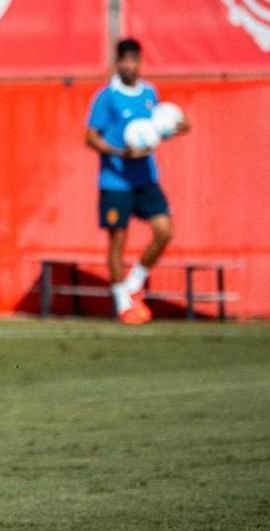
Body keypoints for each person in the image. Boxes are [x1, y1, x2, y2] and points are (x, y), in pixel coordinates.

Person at [86, 37, 189, 324]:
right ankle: (123, 304)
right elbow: (90, 137)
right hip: (115, 181)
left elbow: (157, 130)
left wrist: (177, 128)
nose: (129, 65)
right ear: (117, 62)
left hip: (146, 178)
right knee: (117, 241)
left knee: (165, 231)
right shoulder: (107, 97)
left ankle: (133, 284)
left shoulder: (150, 94)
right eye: (124, 60)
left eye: (134, 60)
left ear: (140, 61)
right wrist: (121, 152)